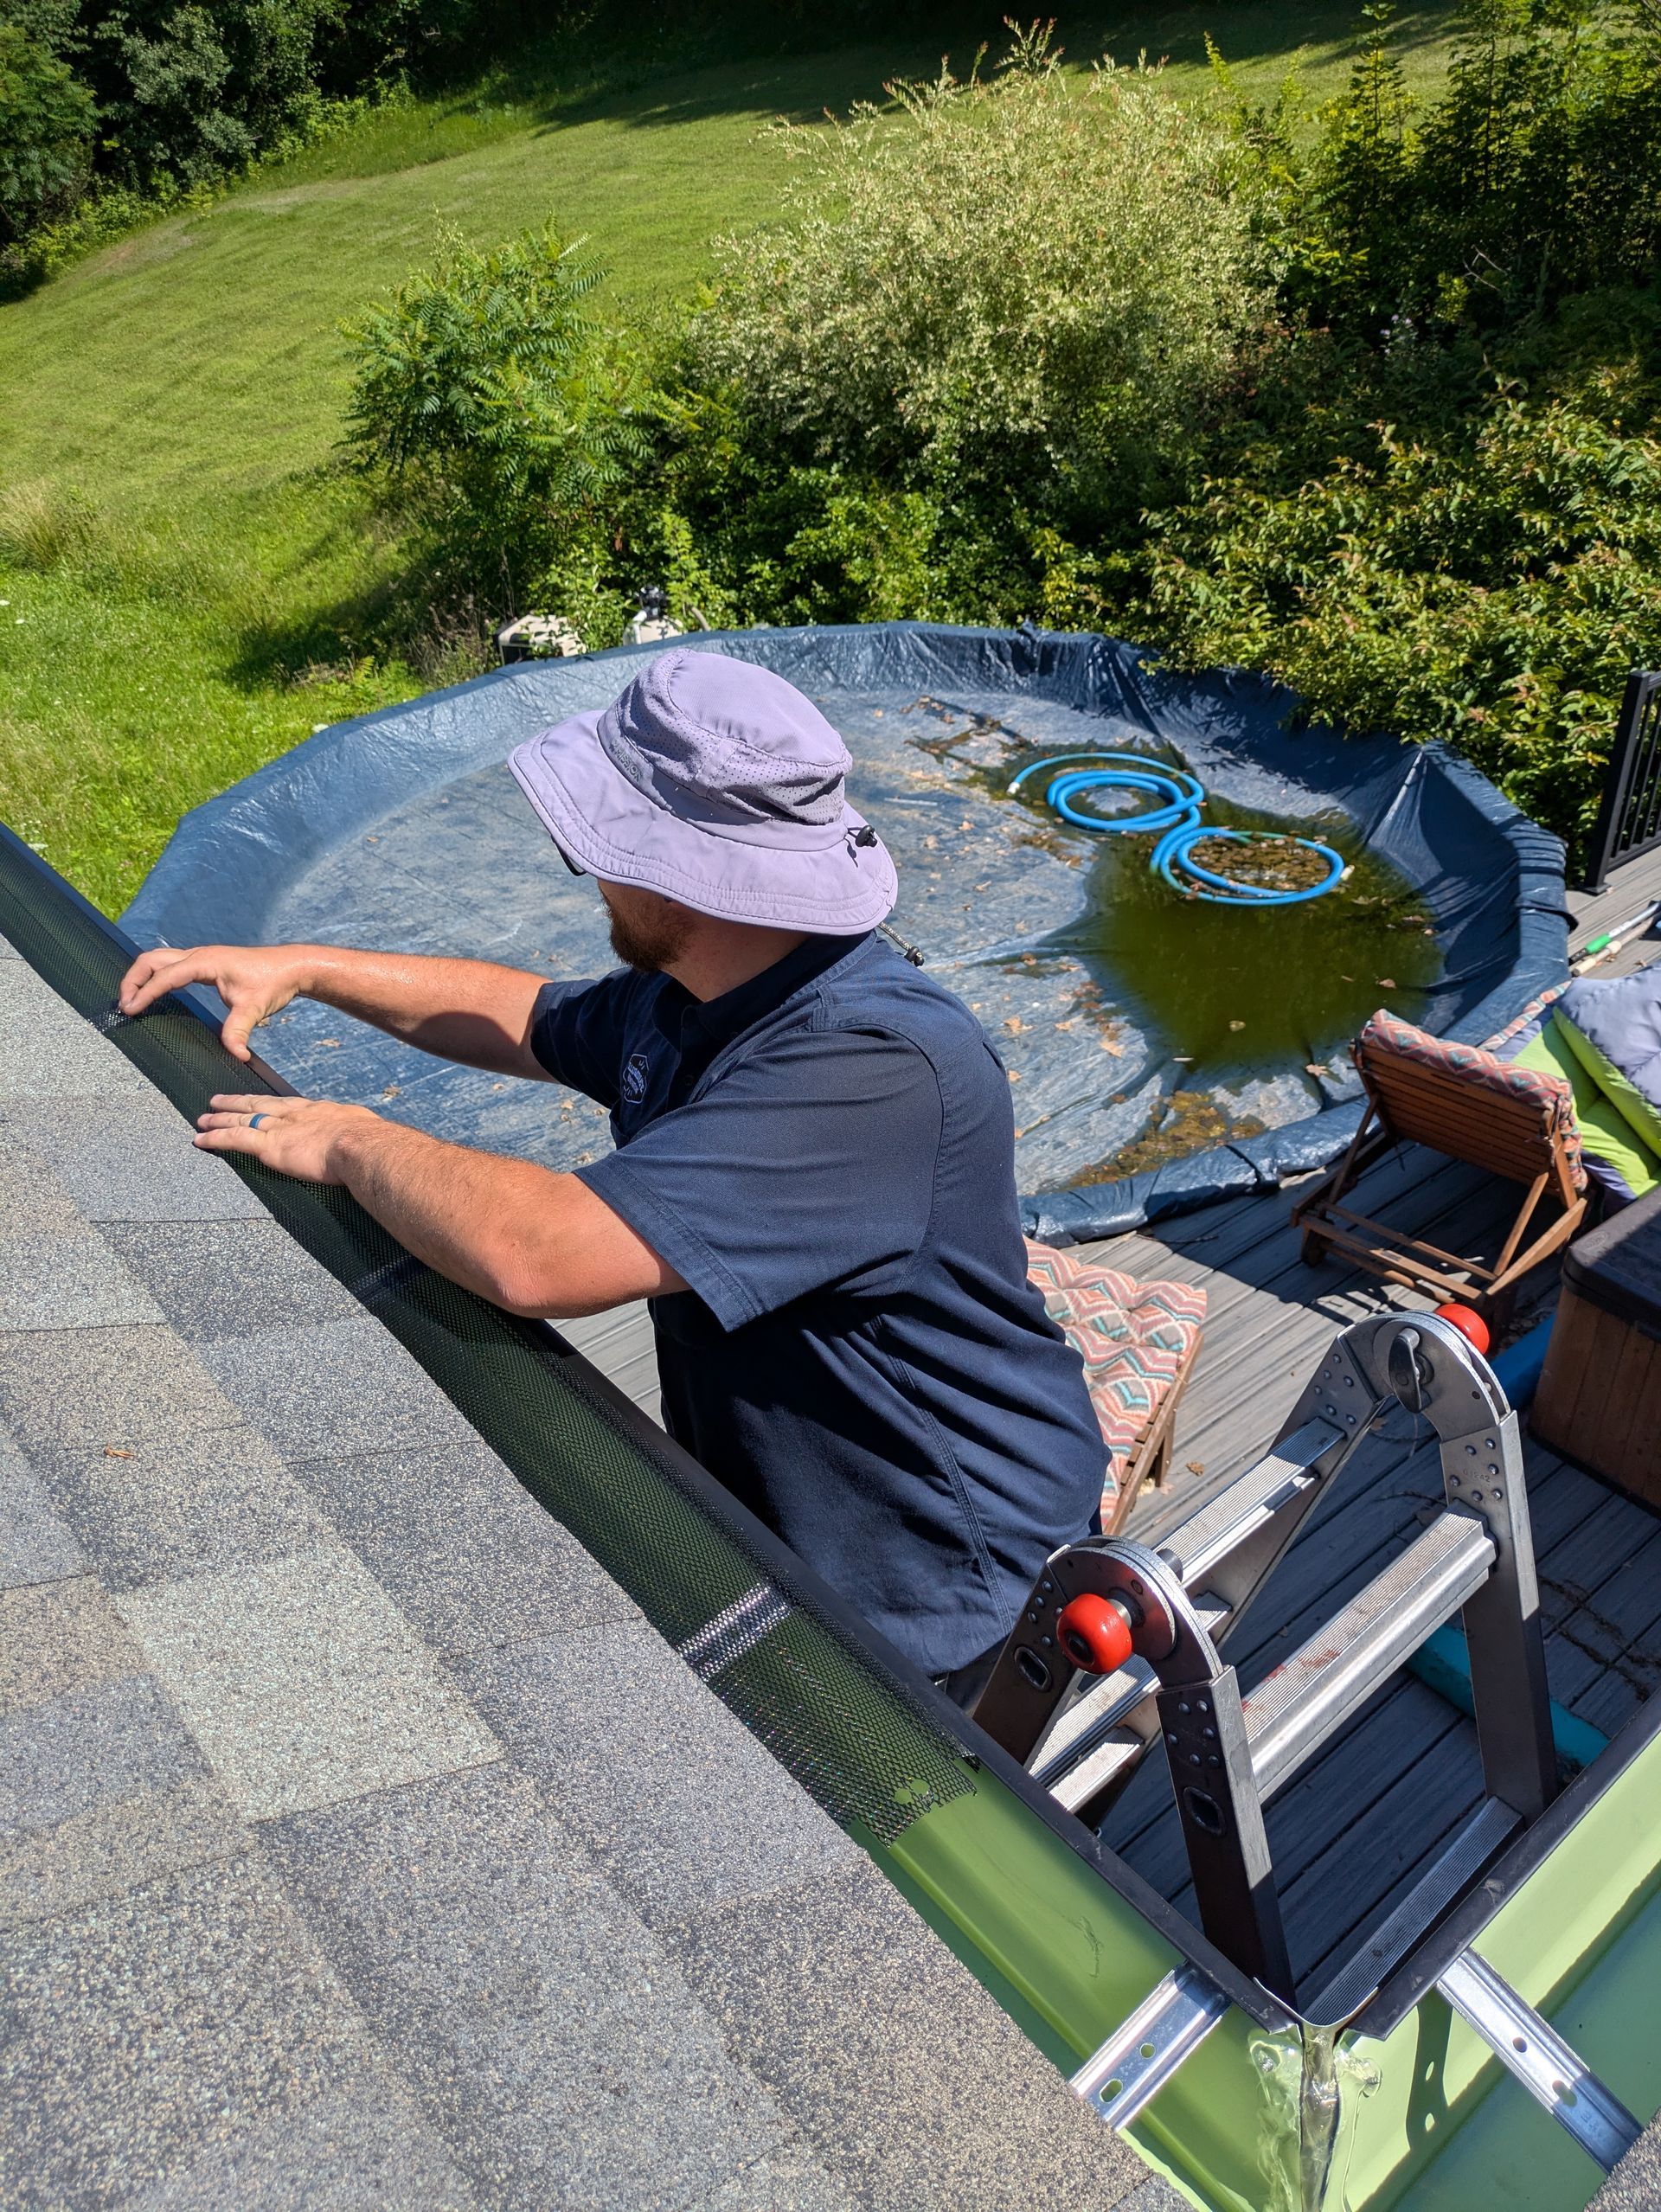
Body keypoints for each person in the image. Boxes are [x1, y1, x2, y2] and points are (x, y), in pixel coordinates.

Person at [119, 648, 1105, 1692]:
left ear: (696, 869)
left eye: (605, 840)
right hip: (794, 1525)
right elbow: (527, 1017)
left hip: (954, 1583)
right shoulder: (706, 982)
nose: (587, 865)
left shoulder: (870, 1067)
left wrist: (355, 1141)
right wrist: (309, 969)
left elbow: (538, 1252)